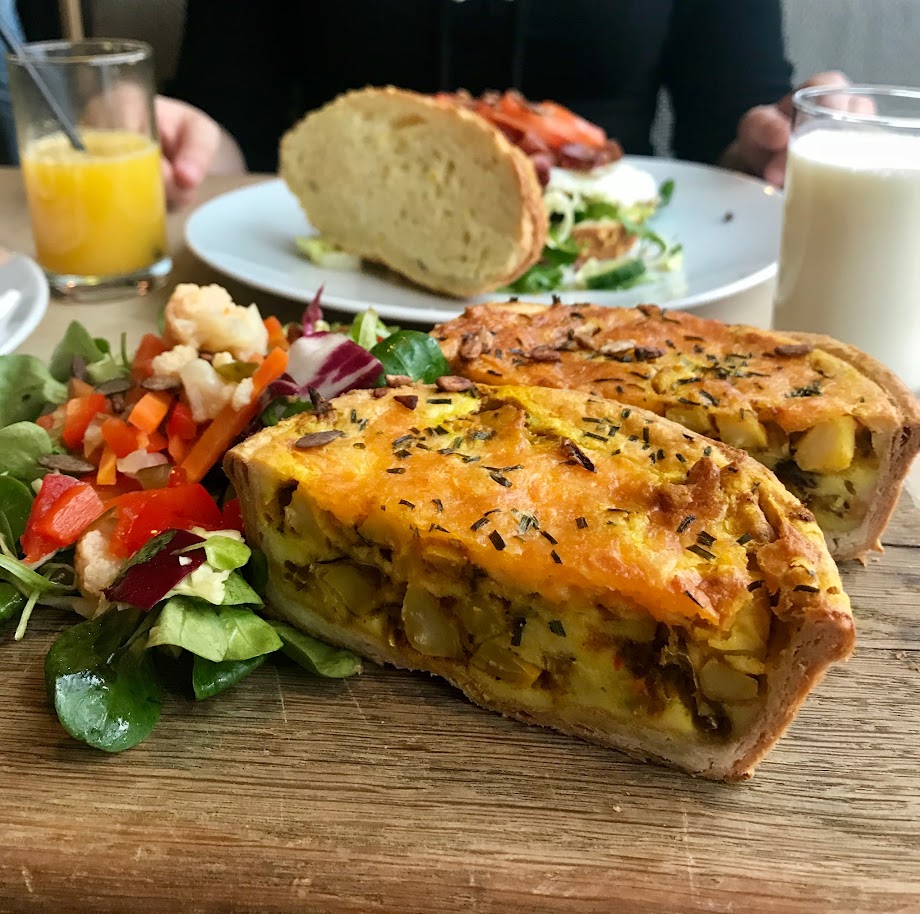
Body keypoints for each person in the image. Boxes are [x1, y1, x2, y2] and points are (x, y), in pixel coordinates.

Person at [5, 0, 852, 207]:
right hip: (331, 294)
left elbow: (726, 140)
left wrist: (770, 141)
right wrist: (187, 141)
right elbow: (234, 138)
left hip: (628, 297)